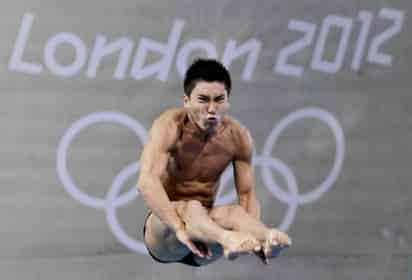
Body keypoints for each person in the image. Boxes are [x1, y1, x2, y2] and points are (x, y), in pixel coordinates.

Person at [137, 58, 291, 267]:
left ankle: (267, 237)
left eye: (219, 100)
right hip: (167, 232)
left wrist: (249, 232)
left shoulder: (238, 136)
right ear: (186, 100)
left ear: (228, 101)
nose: (211, 109)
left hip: (206, 230)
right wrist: (179, 228)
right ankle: (228, 239)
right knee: (190, 207)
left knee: (234, 213)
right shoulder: (169, 127)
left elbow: (246, 195)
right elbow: (146, 183)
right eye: (203, 100)